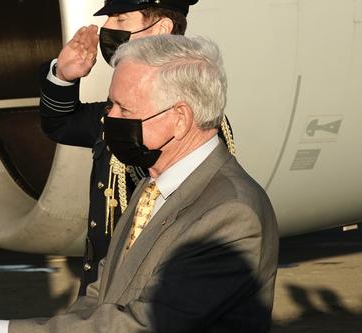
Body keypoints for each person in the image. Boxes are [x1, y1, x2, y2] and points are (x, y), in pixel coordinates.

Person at [0, 35, 278, 333]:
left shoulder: (231, 211)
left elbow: (145, 326)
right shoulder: (155, 184)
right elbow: (101, 299)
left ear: (180, 118)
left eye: (123, 109)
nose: (109, 117)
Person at [40, 0, 235, 293]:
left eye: (120, 20)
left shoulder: (193, 117)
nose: (106, 28)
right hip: (102, 289)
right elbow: (60, 124)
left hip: (154, 292)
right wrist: (64, 76)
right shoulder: (116, 113)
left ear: (162, 28)